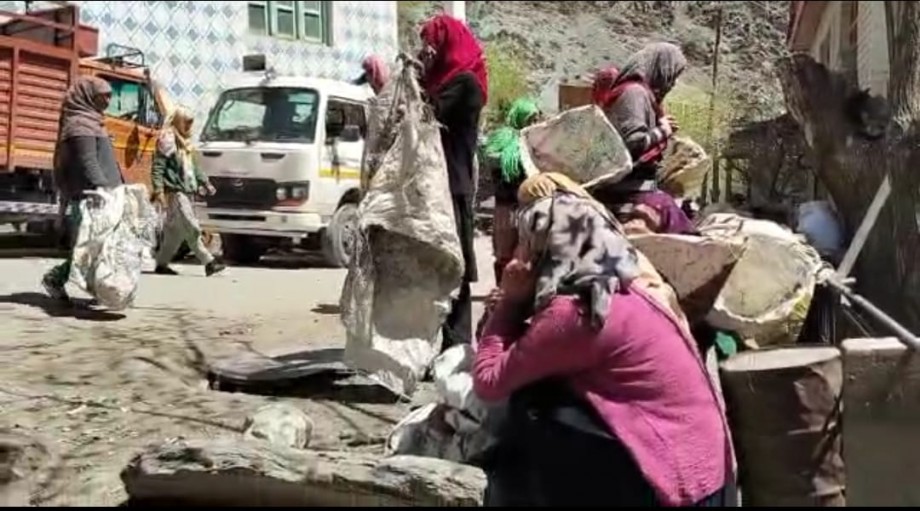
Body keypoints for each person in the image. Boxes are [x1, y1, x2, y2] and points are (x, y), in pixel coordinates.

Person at [474, 173, 736, 507]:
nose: (517, 253)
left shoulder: (577, 312)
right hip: (711, 471)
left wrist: (510, 304)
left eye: (525, 241)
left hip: (681, 485)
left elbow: (489, 381)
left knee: (531, 410)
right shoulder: (624, 281)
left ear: (548, 243)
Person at [418, 14, 488, 350]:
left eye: (431, 43)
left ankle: (457, 346)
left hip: (453, 186)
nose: (427, 51)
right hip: (436, 185)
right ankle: (439, 344)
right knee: (434, 269)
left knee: (454, 269)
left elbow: (427, 114)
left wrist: (414, 80)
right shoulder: (446, 81)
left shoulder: (464, 84)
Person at [594, 42, 696, 235]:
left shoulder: (640, 94)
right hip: (625, 193)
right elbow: (632, 142)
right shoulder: (634, 94)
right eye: (672, 76)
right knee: (671, 214)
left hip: (633, 188)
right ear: (661, 69)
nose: (673, 83)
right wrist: (663, 130)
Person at [42, 76, 123, 301]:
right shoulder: (80, 125)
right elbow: (88, 162)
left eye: (109, 95)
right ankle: (55, 278)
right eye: (103, 95)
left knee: (98, 246)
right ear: (88, 95)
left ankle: (97, 288)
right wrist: (104, 188)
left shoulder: (92, 121)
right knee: (89, 247)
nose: (107, 100)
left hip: (104, 194)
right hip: (93, 197)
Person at [151, 106, 225, 277]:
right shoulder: (167, 140)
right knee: (191, 226)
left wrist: (205, 182)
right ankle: (209, 262)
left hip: (187, 190)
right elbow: (158, 167)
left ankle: (161, 263)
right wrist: (158, 190)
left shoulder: (185, 143)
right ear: (179, 121)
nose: (189, 126)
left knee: (174, 233)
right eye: (187, 122)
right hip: (175, 192)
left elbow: (194, 167)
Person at [482, 97, 541, 285]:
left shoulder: (535, 141)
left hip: (530, 209)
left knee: (528, 256)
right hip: (507, 209)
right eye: (531, 118)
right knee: (504, 255)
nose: (535, 123)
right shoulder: (504, 140)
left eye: (536, 118)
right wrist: (518, 150)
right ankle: (501, 293)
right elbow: (491, 158)